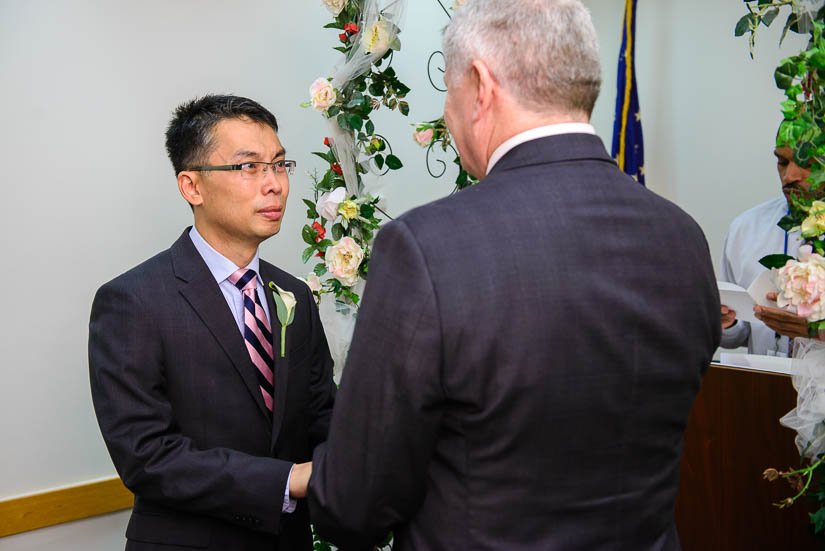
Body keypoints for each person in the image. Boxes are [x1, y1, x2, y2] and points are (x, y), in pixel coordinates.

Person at [304, 1, 721, 549]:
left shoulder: (427, 249)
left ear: (480, 86)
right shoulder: (683, 238)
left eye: (448, 94)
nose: (450, 118)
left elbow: (353, 506)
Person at [88, 94, 336, 551]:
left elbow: (322, 414)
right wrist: (289, 479)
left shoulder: (294, 295)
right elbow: (146, 456)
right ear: (192, 187)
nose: (274, 185)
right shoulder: (132, 301)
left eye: (280, 165)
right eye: (248, 167)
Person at [719, 144, 812, 356]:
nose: (789, 177)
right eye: (782, 162)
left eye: (805, 163)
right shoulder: (746, 227)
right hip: (763, 385)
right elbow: (740, 335)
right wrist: (726, 323)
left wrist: (815, 332)